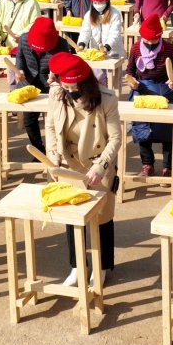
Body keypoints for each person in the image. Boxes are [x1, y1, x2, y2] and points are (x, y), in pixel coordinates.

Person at [44, 52, 122, 286]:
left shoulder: (107, 99)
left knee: (102, 217)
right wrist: (52, 154)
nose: (66, 89)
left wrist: (101, 167)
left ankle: (103, 265)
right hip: (68, 164)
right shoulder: (56, 94)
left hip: (98, 163)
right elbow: (49, 126)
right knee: (72, 216)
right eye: (63, 85)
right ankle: (77, 266)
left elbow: (116, 138)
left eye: (70, 86)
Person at [125, 15, 173, 176]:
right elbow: (130, 70)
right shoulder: (136, 48)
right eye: (146, 41)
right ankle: (147, 164)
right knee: (142, 128)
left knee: (167, 130)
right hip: (143, 88)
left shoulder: (169, 49)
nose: (150, 44)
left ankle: (167, 167)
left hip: (164, 88)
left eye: (153, 41)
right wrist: (132, 81)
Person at [15, 16, 73, 155]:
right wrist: (20, 70)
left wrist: (56, 76)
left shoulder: (61, 44)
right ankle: (38, 150)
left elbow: (65, 67)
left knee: (55, 120)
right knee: (29, 120)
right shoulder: (24, 39)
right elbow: (20, 58)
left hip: (51, 84)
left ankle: (56, 151)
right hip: (28, 82)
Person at [77, 0, 124, 69]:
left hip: (113, 51)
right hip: (96, 53)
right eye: (95, 2)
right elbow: (85, 31)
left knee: (113, 79)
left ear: (106, 0)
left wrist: (107, 47)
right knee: (98, 78)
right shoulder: (89, 14)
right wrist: (81, 44)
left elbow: (115, 33)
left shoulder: (114, 14)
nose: (98, 5)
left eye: (100, 2)